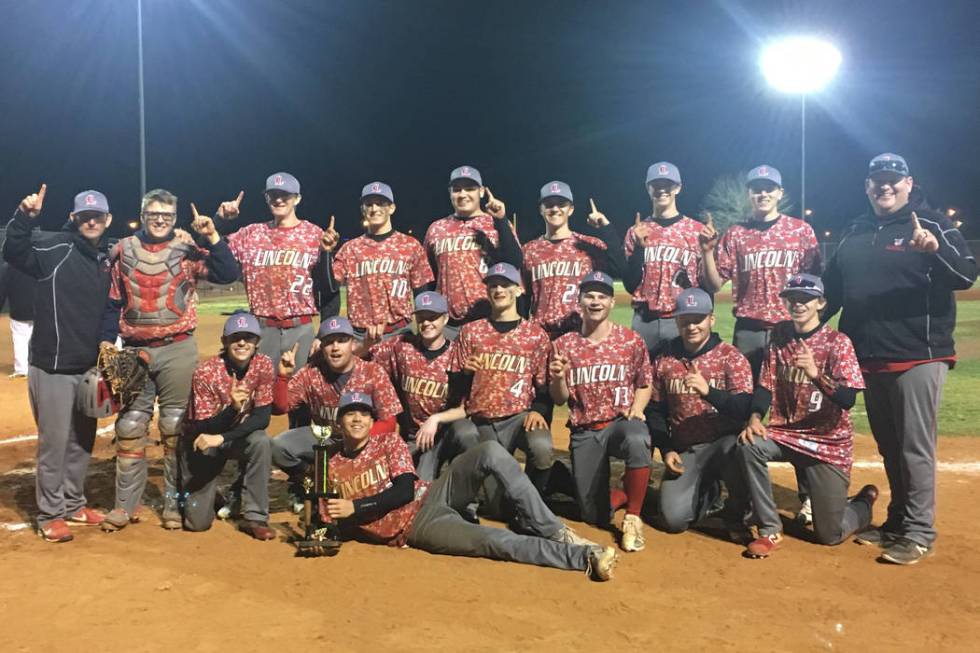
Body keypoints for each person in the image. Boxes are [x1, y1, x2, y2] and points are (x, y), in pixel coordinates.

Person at [823, 153, 977, 565]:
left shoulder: (932, 224)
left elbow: (965, 276)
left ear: (908, 183)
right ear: (867, 186)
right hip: (867, 356)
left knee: (914, 448)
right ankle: (896, 521)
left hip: (918, 355)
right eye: (877, 180)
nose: (884, 186)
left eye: (893, 179)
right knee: (891, 446)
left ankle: (919, 531)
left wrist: (933, 249)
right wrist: (802, 325)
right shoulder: (854, 231)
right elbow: (832, 292)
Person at [319, 392, 618, 581]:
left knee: (489, 450)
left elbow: (405, 490)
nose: (357, 418)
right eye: (349, 413)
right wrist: (329, 523)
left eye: (363, 413)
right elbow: (326, 525)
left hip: (433, 491)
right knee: (495, 541)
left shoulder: (388, 442)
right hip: (420, 525)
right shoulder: (328, 464)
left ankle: (555, 530)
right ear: (338, 421)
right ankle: (584, 557)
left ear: (372, 419)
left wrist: (355, 508)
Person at [100, 189, 239, 532]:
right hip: (134, 348)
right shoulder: (123, 250)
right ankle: (124, 505)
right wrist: (105, 341)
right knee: (130, 426)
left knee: (175, 427)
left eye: (166, 215)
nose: (159, 219)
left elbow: (226, 272)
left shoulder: (186, 249)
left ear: (174, 218)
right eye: (153, 214)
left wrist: (212, 235)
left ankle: (174, 504)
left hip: (177, 347)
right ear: (143, 214)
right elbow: (113, 301)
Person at [737, 274, 877, 559]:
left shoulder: (837, 342)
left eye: (806, 299)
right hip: (786, 434)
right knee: (748, 444)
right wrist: (754, 417)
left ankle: (861, 504)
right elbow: (765, 383)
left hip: (827, 443)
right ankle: (769, 528)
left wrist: (815, 374)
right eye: (793, 298)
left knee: (830, 535)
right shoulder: (780, 335)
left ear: (821, 303)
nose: (798, 304)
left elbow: (848, 399)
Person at [3, 185, 113, 542]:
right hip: (51, 365)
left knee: (83, 439)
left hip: (88, 366)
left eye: (97, 216)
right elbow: (14, 250)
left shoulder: (106, 259)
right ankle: (51, 513)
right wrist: (24, 216)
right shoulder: (54, 247)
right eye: (84, 216)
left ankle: (73, 503)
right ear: (73, 218)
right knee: (54, 443)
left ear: (108, 220)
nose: (91, 221)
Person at [215, 173, 338, 425]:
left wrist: (323, 333)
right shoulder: (251, 233)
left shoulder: (314, 235)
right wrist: (221, 222)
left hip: (300, 328)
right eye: (273, 195)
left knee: (303, 400)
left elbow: (328, 290)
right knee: (253, 400)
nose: (279, 200)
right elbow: (215, 254)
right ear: (267, 198)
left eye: (286, 195)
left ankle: (298, 459)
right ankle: (250, 457)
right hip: (260, 329)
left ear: (298, 199)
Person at [549, 272, 652, 552]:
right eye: (589, 295)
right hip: (585, 430)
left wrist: (638, 409)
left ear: (612, 302)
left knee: (636, 437)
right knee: (592, 515)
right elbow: (559, 400)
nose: (595, 301)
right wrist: (558, 377)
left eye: (602, 296)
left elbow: (644, 383)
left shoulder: (630, 340)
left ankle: (633, 517)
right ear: (579, 301)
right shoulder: (564, 345)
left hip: (620, 423)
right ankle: (625, 492)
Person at [699, 165, 822, 378]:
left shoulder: (800, 230)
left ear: (780, 193)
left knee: (791, 400)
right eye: (757, 189)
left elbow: (815, 284)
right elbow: (714, 284)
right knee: (745, 398)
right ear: (749, 194)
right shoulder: (736, 233)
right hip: (749, 330)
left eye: (769, 188)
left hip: (790, 328)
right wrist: (708, 253)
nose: (763, 194)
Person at [647, 288, 753, 535]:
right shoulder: (665, 359)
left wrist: (709, 392)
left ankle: (738, 508)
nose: (692, 326)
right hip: (687, 450)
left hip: (725, 446)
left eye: (698, 320)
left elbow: (744, 409)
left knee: (744, 448)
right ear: (676, 322)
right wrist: (666, 448)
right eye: (685, 321)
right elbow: (655, 409)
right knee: (674, 521)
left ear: (711, 320)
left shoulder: (730, 357)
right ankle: (706, 489)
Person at [270, 316, 402, 510]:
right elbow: (280, 407)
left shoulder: (372, 372)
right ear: (321, 347)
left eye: (342, 340)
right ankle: (315, 480)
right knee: (278, 446)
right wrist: (283, 376)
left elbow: (389, 422)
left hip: (362, 442)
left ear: (352, 343)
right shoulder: (311, 373)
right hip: (326, 438)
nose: (335, 347)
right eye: (329, 342)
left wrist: (353, 441)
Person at [449, 263, 553, 496]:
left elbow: (544, 386)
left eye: (506, 285)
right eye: (493, 285)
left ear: (518, 290)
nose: (499, 290)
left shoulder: (535, 334)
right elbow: (455, 391)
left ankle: (532, 500)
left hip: (519, 418)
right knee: (495, 505)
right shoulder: (471, 332)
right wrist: (464, 373)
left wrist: (538, 410)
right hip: (481, 420)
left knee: (542, 448)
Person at [180, 312, 275, 540]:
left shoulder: (263, 365)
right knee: (197, 524)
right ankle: (216, 496)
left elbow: (262, 418)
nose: (242, 343)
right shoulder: (206, 372)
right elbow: (203, 427)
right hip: (201, 441)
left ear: (257, 342)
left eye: (248, 337)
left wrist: (224, 437)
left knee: (261, 441)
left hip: (229, 438)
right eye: (235, 338)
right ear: (224, 342)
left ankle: (255, 517)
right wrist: (232, 409)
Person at [368, 291, 474, 480]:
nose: (426, 323)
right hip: (415, 437)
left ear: (445, 318)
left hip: (445, 434)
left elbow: (467, 408)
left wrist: (436, 419)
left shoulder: (457, 354)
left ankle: (467, 501)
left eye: (432, 317)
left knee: (467, 432)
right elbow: (365, 358)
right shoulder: (403, 348)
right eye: (422, 318)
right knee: (412, 487)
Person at [323, 182, 434, 346]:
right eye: (369, 204)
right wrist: (327, 252)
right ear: (363, 209)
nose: (374, 209)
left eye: (381, 203)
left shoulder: (410, 246)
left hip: (400, 333)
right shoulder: (350, 249)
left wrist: (423, 333)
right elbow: (331, 287)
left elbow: (422, 293)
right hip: (360, 336)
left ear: (392, 208)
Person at [423, 166, 523, 337]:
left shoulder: (494, 223)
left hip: (489, 321)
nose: (463, 194)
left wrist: (500, 220)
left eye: (470, 188)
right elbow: (429, 277)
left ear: (482, 192)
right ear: (450, 193)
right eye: (457, 189)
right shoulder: (436, 229)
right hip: (449, 325)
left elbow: (514, 262)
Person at [622, 162, 708, 354]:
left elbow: (707, 284)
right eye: (656, 185)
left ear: (677, 188)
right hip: (645, 321)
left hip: (682, 320)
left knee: (681, 380)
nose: (662, 190)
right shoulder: (636, 231)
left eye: (667, 185)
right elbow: (630, 284)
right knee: (642, 381)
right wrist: (638, 248)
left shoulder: (696, 231)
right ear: (648, 188)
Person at [521, 181, 624, 339]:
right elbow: (523, 299)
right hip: (541, 336)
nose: (555, 209)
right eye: (549, 204)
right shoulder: (529, 250)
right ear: (541, 209)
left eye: (561, 204)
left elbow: (619, 268)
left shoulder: (588, 245)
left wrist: (606, 227)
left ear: (571, 209)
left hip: (580, 335)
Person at [0, 260, 37, 378]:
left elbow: (2, 290)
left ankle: (21, 369)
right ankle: (38, 368)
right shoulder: (39, 262)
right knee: (39, 338)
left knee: (20, 337)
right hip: (39, 309)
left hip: (18, 309)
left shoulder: (8, 267)